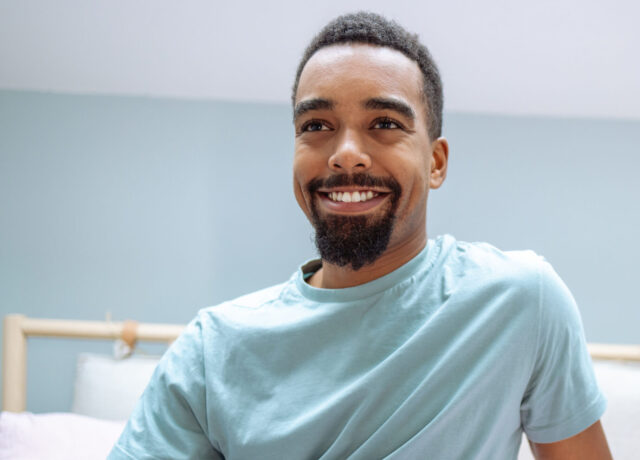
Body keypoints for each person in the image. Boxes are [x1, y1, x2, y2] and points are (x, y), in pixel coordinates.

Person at [110, 12, 611, 460]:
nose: (346, 153)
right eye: (317, 125)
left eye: (385, 123)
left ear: (435, 162)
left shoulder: (520, 302)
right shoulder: (212, 351)